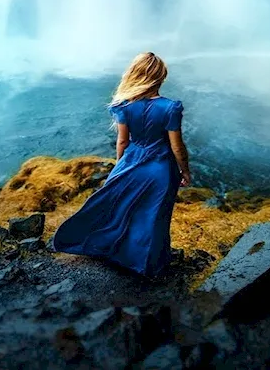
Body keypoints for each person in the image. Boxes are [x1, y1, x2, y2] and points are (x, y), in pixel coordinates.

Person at [51, 51, 192, 278]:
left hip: (131, 161)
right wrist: (184, 170)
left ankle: (107, 248)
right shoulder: (171, 107)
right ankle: (149, 265)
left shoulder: (123, 105)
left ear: (135, 75)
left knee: (119, 209)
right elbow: (177, 147)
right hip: (161, 170)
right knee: (154, 216)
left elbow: (123, 141)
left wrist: (121, 166)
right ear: (160, 78)